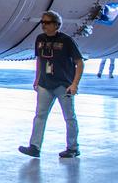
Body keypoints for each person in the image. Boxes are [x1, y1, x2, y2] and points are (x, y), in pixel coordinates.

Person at [19, 10, 83, 159]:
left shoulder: (66, 41)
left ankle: (73, 148)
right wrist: (37, 78)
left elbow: (79, 63)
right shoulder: (40, 39)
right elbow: (40, 60)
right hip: (45, 84)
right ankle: (34, 147)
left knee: (69, 117)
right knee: (40, 115)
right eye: (42, 22)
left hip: (63, 84)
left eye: (47, 23)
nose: (44, 26)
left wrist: (74, 84)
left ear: (56, 25)